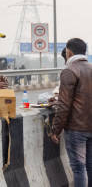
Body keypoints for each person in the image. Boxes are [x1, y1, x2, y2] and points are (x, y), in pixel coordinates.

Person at [50, 38, 92, 187]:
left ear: (68, 51)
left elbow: (64, 105)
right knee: (89, 167)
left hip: (76, 129)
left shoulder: (69, 70)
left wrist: (55, 129)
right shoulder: (90, 67)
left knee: (79, 169)